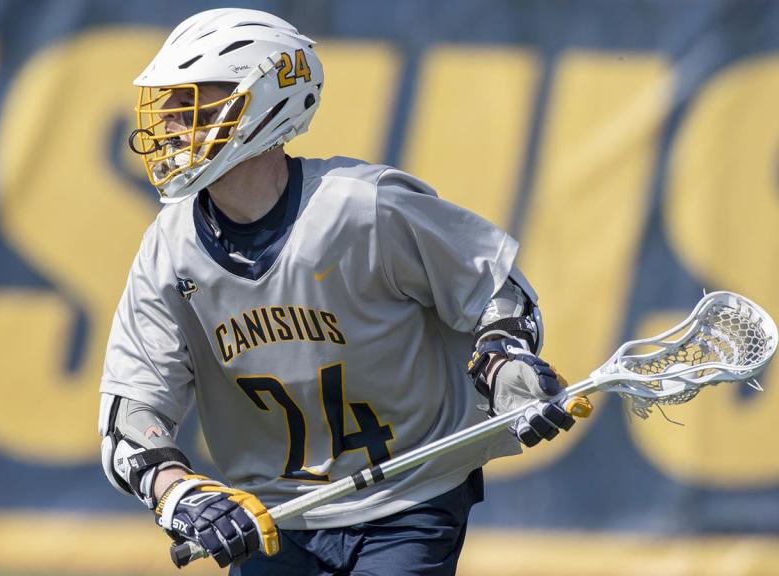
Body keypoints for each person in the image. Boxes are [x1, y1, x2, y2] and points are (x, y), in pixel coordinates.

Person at [99, 8, 589, 575]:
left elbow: (494, 288)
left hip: (409, 493)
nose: (172, 129)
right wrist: (177, 489)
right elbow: (131, 410)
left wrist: (505, 362)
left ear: (264, 105)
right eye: (169, 110)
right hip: (274, 515)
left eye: (196, 109)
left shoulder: (362, 207)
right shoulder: (168, 247)